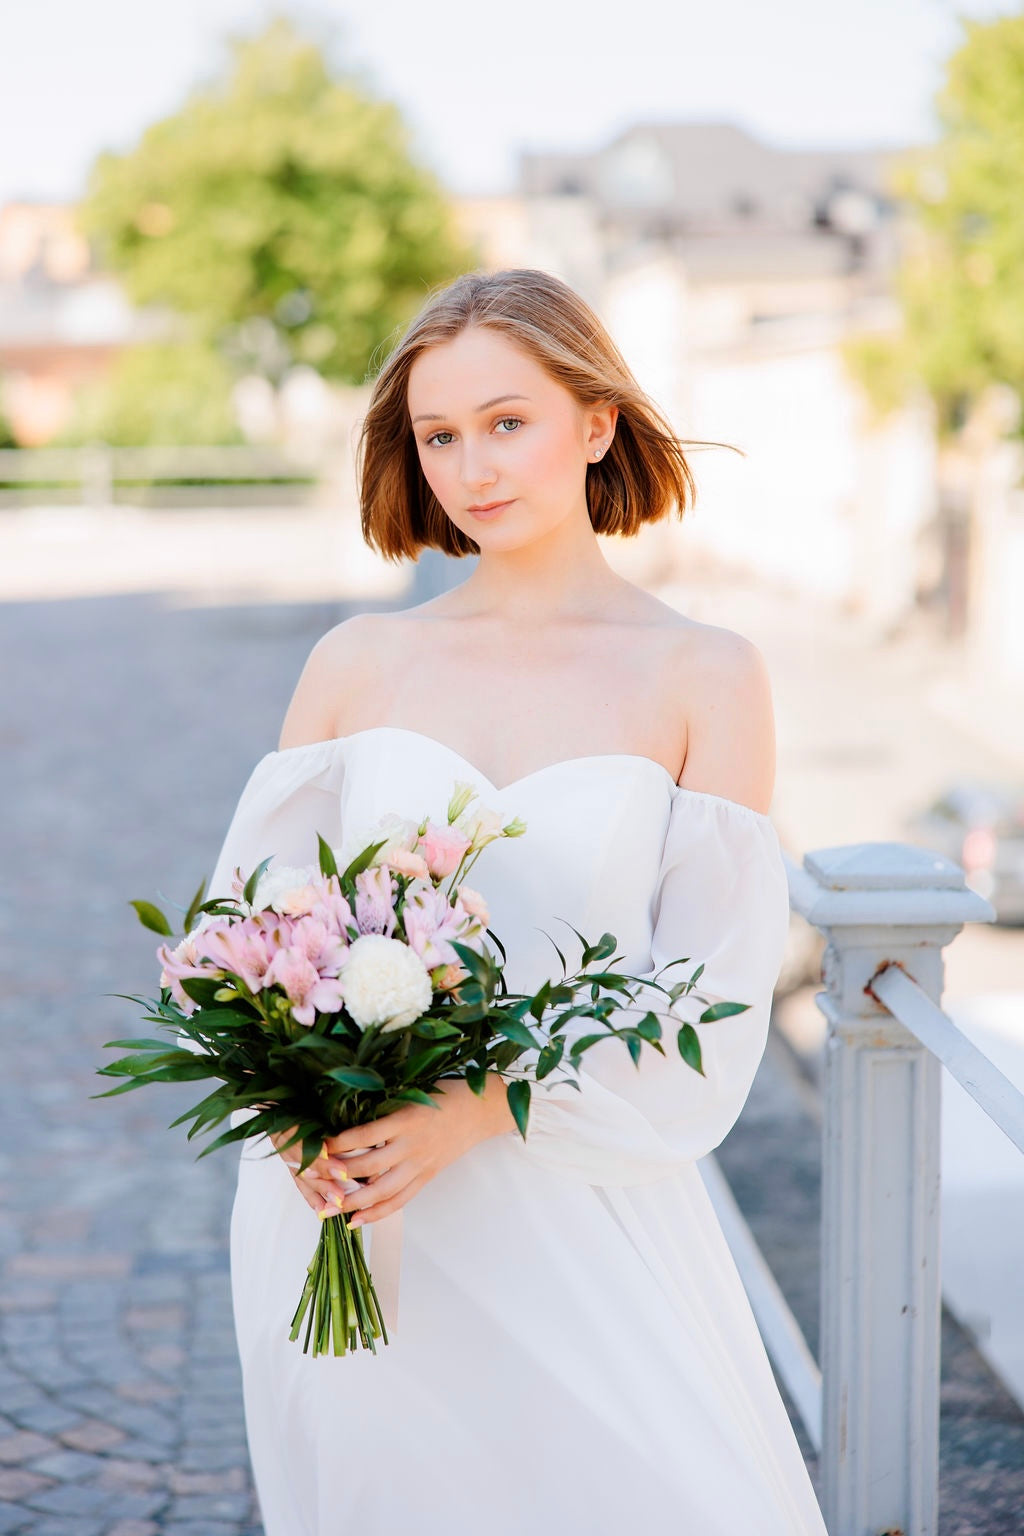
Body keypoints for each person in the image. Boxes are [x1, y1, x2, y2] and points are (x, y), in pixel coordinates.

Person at [207, 267, 828, 1534]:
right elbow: (248, 942)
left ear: (594, 424)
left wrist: (477, 1110)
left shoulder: (705, 674)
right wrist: (296, 1122)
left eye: (507, 421)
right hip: (360, 1212)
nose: (472, 466)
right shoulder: (359, 662)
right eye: (439, 435)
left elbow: (704, 1001)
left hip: (580, 1201)